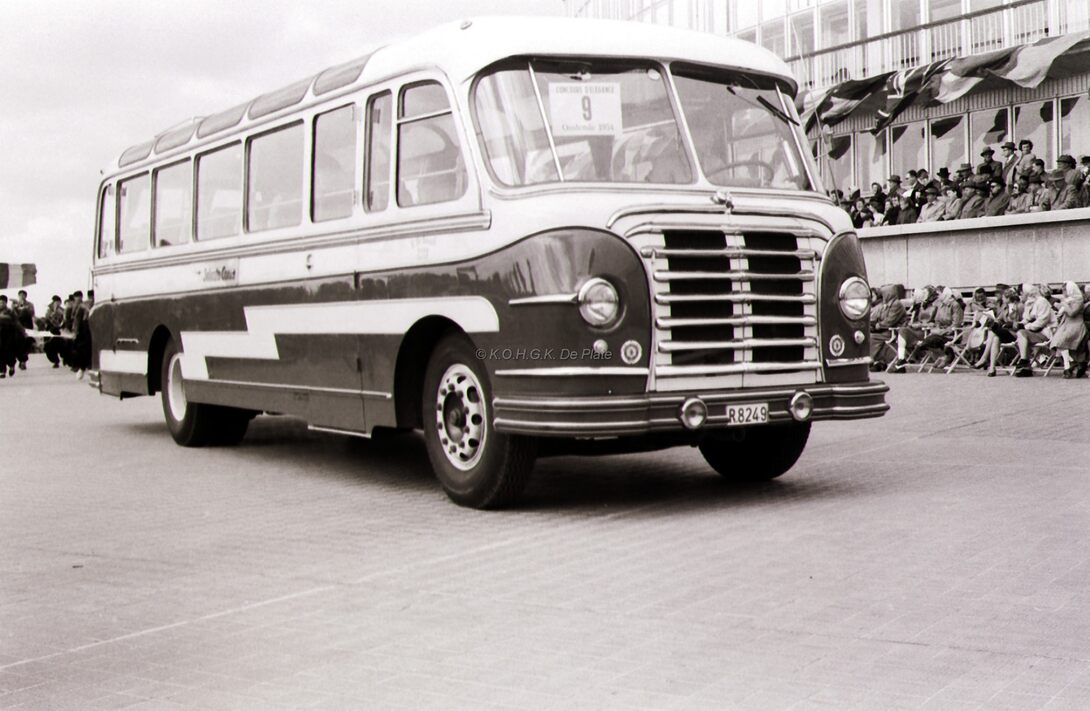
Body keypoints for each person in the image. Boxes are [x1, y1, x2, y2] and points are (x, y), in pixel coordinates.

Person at [975, 285, 1021, 376]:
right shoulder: (1005, 307)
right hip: (1006, 332)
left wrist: (1010, 324)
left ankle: (984, 359)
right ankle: (992, 368)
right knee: (995, 338)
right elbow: (999, 319)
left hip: (1016, 333)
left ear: (1008, 298)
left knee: (993, 332)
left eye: (1004, 297)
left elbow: (1022, 322)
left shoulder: (1019, 307)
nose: (1002, 299)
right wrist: (991, 320)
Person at [890, 286, 938, 372]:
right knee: (903, 329)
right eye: (923, 293)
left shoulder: (936, 306)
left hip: (926, 331)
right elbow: (918, 319)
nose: (923, 294)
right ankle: (901, 358)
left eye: (925, 293)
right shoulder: (921, 306)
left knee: (903, 331)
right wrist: (913, 324)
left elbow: (935, 323)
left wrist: (920, 325)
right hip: (918, 330)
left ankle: (902, 359)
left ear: (930, 294)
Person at [1013, 283, 1056, 377]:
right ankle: (1025, 362)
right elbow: (1027, 318)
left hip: (1046, 332)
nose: (1020, 296)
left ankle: (1025, 361)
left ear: (1026, 293)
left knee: (1021, 333)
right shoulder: (1029, 303)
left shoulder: (1042, 302)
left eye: (1021, 293)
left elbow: (1042, 321)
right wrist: (1019, 324)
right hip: (1036, 332)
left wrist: (1025, 326)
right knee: (1020, 333)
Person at [1049, 281, 1087, 378]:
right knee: (1056, 342)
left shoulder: (1078, 300)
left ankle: (1068, 365)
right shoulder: (1067, 300)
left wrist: (1063, 305)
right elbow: (1062, 312)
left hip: (1076, 324)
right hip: (1066, 324)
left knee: (1062, 341)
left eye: (1064, 290)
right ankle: (1070, 363)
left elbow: (1072, 313)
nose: (1063, 292)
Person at [869, 284, 907, 370]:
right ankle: (877, 361)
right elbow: (880, 316)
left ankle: (871, 360)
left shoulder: (896, 304)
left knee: (872, 337)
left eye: (883, 294)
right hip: (885, 330)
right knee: (869, 335)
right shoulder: (886, 304)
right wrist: (873, 323)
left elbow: (891, 320)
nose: (882, 296)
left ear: (888, 294)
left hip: (894, 331)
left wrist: (879, 325)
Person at [72, 290, 94, 379]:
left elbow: (77, 319)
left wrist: (76, 332)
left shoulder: (82, 305)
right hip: (92, 327)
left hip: (85, 327)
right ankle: (87, 367)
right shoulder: (97, 303)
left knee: (83, 349)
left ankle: (82, 368)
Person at [11, 290, 35, 370]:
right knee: (18, 344)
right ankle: (21, 360)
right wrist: (15, 307)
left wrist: (24, 308)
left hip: (27, 325)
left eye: (23, 295)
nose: (22, 296)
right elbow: (12, 314)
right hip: (18, 326)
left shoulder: (30, 304)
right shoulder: (14, 304)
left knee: (26, 343)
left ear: (26, 296)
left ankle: (23, 362)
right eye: (20, 295)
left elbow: (32, 313)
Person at [42, 295, 66, 368]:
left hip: (59, 330)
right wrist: (53, 312)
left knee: (62, 345)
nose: (56, 303)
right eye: (55, 302)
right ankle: (55, 361)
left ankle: (65, 358)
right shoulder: (49, 310)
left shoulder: (62, 310)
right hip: (50, 330)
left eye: (58, 302)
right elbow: (46, 319)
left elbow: (64, 320)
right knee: (49, 346)